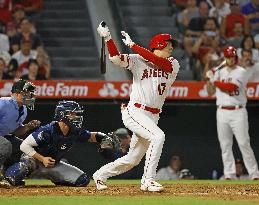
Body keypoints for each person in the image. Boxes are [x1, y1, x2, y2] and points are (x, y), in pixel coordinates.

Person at [93, 21, 180, 192]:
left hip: (153, 116)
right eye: (169, 45)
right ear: (159, 45)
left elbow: (157, 61)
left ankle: (100, 175)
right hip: (136, 111)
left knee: (133, 159)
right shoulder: (138, 60)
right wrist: (108, 38)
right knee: (158, 137)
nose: (171, 48)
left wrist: (133, 45)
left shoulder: (173, 64)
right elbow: (116, 58)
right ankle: (148, 180)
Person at [3, 100, 115, 187]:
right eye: (72, 113)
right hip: (34, 161)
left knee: (82, 180)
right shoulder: (47, 130)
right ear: (62, 115)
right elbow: (24, 145)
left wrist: (103, 137)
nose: (76, 116)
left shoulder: (75, 131)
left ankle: (56, 180)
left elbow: (92, 136)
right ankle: (6, 180)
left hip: (53, 164)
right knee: (21, 168)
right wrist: (42, 158)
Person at [206, 46, 259, 180]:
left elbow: (231, 88)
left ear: (236, 57)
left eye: (233, 56)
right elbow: (210, 92)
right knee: (225, 145)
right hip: (222, 111)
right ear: (225, 57)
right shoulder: (220, 72)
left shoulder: (242, 71)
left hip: (238, 111)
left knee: (243, 143)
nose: (231, 59)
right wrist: (209, 79)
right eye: (228, 57)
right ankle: (229, 174)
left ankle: (254, 174)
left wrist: (215, 80)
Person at [0, 79, 40, 183]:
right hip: (3, 140)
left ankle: (8, 177)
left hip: (4, 137)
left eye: (30, 94)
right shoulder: (3, 103)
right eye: (26, 93)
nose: (30, 96)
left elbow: (15, 131)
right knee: (5, 145)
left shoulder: (24, 110)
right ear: (17, 94)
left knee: (26, 150)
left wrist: (27, 127)